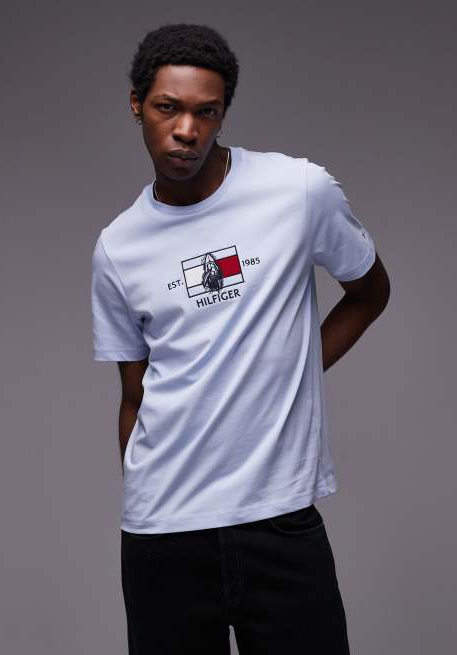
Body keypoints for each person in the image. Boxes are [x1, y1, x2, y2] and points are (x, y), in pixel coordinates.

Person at [91, 22, 390, 655]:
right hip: (163, 534)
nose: (186, 130)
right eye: (167, 108)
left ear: (223, 113)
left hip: (279, 521)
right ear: (137, 105)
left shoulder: (297, 191)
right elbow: (133, 394)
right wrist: (149, 500)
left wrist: (293, 367)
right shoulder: (118, 247)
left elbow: (370, 293)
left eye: (207, 112)